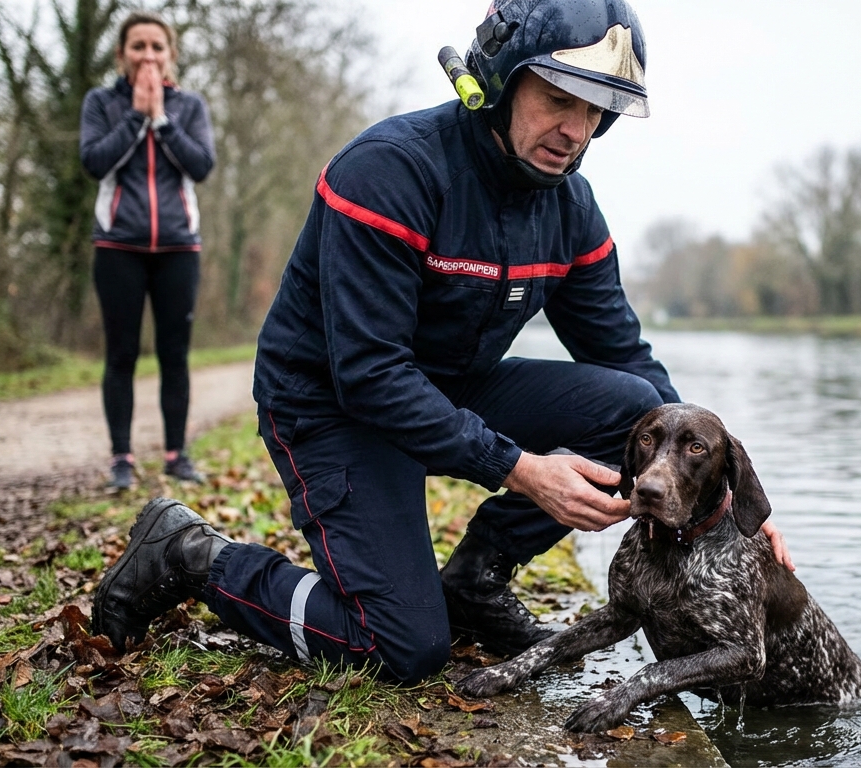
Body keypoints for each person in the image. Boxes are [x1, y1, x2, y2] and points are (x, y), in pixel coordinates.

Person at [93, 0, 791, 683]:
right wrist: (519, 468)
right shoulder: (388, 172)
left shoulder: (571, 205)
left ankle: (476, 579)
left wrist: (724, 509)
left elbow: (622, 352)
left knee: (633, 409)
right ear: (499, 79)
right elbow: (369, 374)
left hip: (451, 384)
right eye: (557, 98)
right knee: (402, 646)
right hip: (331, 400)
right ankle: (190, 555)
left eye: (595, 110)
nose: (575, 130)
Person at [80, 12, 215, 490]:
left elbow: (201, 165)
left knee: (174, 355)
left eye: (157, 46)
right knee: (121, 355)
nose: (148, 55)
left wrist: (160, 120)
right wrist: (136, 116)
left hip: (179, 248)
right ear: (122, 55)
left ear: (170, 54)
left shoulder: (190, 107)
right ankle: (122, 459)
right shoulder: (101, 103)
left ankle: (177, 455)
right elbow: (94, 161)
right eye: (138, 46)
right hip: (118, 246)